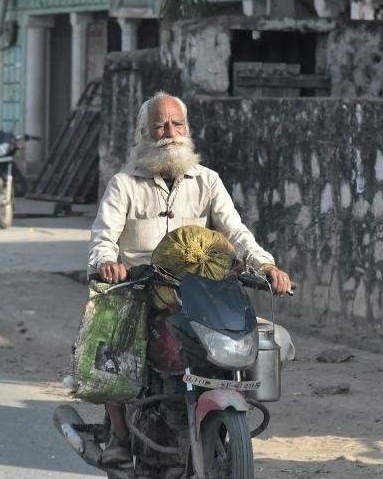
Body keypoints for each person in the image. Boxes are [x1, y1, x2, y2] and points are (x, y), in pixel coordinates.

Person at [88, 90, 293, 465]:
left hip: (205, 292)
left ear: (188, 129)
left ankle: (222, 414)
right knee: (112, 349)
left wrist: (265, 266)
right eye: (160, 125)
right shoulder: (124, 184)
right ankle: (118, 431)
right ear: (144, 133)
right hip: (141, 289)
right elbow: (104, 236)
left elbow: (236, 231)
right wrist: (107, 262)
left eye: (176, 123)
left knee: (265, 338)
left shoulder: (208, 181)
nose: (170, 131)